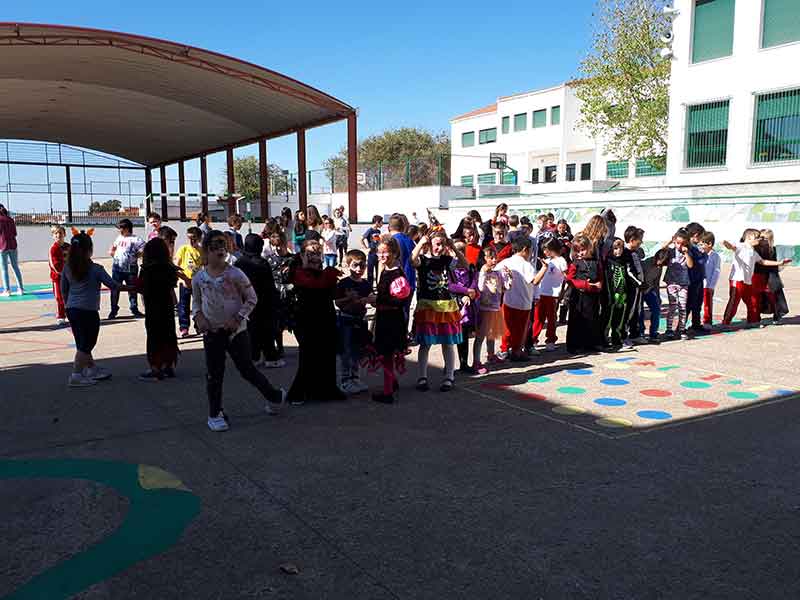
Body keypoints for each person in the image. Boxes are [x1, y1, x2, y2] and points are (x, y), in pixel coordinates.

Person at [192, 230, 285, 431]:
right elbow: (196, 302)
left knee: (247, 369)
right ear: (205, 250)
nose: (220, 250)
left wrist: (238, 318)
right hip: (212, 333)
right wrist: (198, 317)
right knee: (214, 374)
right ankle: (215, 413)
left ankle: (273, 395)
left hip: (236, 332)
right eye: (214, 247)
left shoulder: (235, 274)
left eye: (223, 246)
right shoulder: (199, 277)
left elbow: (252, 298)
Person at [61, 232, 130, 387]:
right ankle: (76, 374)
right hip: (88, 311)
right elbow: (114, 285)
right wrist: (133, 288)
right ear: (89, 249)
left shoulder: (67, 268)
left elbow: (63, 289)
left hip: (72, 309)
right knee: (87, 343)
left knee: (81, 341)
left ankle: (90, 368)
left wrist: (67, 305)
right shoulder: (96, 269)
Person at [287, 240, 345, 404]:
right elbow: (313, 284)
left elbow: (333, 294)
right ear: (302, 255)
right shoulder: (299, 273)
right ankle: (298, 393)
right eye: (310, 254)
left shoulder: (327, 273)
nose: (314, 257)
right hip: (306, 320)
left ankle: (326, 390)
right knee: (308, 355)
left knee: (327, 354)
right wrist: (327, 274)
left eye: (317, 254)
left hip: (326, 318)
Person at [411, 230, 463, 392]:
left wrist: (453, 247)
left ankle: (449, 376)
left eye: (442, 244)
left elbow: (465, 264)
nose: (440, 248)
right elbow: (412, 260)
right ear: (430, 244)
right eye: (437, 244)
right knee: (425, 343)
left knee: (448, 343)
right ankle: (422, 377)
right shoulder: (423, 260)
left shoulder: (447, 260)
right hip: (428, 307)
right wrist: (421, 243)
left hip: (446, 307)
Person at [369, 237, 411, 403]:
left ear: (394, 253)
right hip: (384, 317)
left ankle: (387, 393)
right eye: (379, 252)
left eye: (385, 252)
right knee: (386, 353)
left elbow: (399, 301)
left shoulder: (397, 273)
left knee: (387, 355)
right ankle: (392, 382)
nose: (381, 255)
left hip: (392, 320)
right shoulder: (385, 270)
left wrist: (377, 299)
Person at [722, 229, 790, 326]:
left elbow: (763, 262)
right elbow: (732, 247)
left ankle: (753, 321)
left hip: (747, 281)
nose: (760, 239)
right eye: (757, 238)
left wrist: (780, 263)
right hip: (737, 280)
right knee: (734, 301)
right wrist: (726, 244)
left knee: (752, 302)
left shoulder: (753, 252)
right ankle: (726, 322)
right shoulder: (741, 246)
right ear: (749, 238)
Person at [235, 234, 281, 368]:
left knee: (250, 330)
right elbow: (269, 285)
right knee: (266, 330)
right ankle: (270, 357)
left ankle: (253, 356)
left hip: (245, 302)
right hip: (263, 302)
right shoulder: (261, 263)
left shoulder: (239, 263)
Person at [137, 238, 179, 381]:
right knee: (169, 334)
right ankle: (169, 365)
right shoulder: (170, 268)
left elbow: (141, 287)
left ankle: (155, 367)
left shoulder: (146, 269)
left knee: (154, 336)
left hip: (152, 306)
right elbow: (172, 285)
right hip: (166, 305)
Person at [336, 249, 373, 395]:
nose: (359, 269)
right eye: (355, 265)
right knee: (346, 351)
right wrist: (349, 298)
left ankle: (355, 377)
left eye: (362, 266)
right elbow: (337, 302)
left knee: (357, 350)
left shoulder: (366, 284)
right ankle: (345, 380)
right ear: (348, 265)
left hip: (360, 321)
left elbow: (372, 298)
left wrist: (369, 299)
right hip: (346, 320)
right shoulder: (343, 283)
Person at [497, 237, 536, 362]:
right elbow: (534, 281)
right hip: (523, 303)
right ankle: (516, 351)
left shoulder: (506, 262)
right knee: (520, 329)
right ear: (525, 249)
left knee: (507, 327)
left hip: (508, 301)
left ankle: (504, 349)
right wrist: (544, 269)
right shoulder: (527, 265)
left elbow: (495, 272)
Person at [474, 246, 511, 372]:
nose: (494, 260)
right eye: (491, 258)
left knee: (492, 334)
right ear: (484, 259)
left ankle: (491, 355)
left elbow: (506, 288)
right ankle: (476, 361)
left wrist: (508, 277)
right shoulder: (481, 273)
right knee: (481, 336)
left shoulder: (498, 273)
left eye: (495, 257)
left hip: (495, 308)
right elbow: (480, 288)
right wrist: (484, 273)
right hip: (485, 308)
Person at [565, 235, 604, 354]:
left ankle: (590, 343)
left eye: (583, 250)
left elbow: (600, 276)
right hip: (578, 296)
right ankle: (574, 345)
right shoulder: (575, 263)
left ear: (589, 248)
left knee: (592, 319)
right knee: (576, 320)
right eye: (577, 251)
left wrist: (599, 284)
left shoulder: (595, 262)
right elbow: (570, 280)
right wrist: (585, 285)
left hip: (592, 297)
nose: (580, 253)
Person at [531, 238, 567, 352]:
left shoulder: (561, 261)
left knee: (551, 319)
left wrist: (563, 292)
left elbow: (566, 277)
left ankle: (550, 340)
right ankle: (533, 340)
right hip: (541, 293)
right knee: (538, 318)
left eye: (546, 249)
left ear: (553, 248)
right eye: (544, 249)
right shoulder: (546, 261)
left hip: (553, 294)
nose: (544, 252)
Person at [449, 241, 480, 373]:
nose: (459, 253)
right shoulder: (450, 269)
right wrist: (465, 292)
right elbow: (450, 285)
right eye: (457, 250)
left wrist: (469, 294)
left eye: (462, 250)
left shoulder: (470, 267)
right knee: (451, 337)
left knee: (464, 335)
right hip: (454, 304)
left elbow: (474, 282)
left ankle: (464, 363)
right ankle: (449, 365)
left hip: (468, 306)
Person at [603, 238, 638, 348]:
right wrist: (609, 294)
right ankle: (604, 339)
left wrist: (638, 283)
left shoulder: (625, 261)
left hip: (622, 294)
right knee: (608, 319)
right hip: (611, 295)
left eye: (620, 248)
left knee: (620, 318)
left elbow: (630, 274)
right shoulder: (608, 262)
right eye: (615, 248)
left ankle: (617, 339)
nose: (618, 251)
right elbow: (606, 279)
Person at [265, 231, 293, 361]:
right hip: (276, 296)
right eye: (274, 246)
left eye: (280, 245)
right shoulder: (269, 260)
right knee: (277, 325)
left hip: (291, 296)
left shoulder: (293, 259)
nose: (277, 248)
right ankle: (280, 347)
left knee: (294, 322)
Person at [108, 218, 144, 319]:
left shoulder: (136, 239)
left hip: (130, 269)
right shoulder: (118, 238)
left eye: (122, 228)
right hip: (117, 268)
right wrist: (112, 253)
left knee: (132, 289)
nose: (120, 230)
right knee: (115, 289)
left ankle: (134, 308)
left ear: (127, 228)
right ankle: (113, 309)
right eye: (119, 228)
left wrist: (137, 255)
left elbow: (144, 248)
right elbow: (113, 248)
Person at [663, 228, 695, 340]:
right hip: (671, 282)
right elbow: (662, 249)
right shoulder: (671, 251)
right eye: (677, 243)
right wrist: (670, 241)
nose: (679, 246)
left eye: (682, 244)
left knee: (682, 307)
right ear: (674, 241)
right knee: (672, 306)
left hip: (683, 283)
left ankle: (681, 329)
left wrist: (686, 253)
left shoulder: (688, 252)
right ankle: (669, 329)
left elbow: (690, 265)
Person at [754, 229, 790, 325]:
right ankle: (756, 317)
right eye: (760, 237)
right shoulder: (756, 248)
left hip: (770, 275)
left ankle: (777, 315)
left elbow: (774, 265)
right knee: (758, 298)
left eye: (764, 238)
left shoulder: (772, 249)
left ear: (769, 239)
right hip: (758, 275)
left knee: (774, 297)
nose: (762, 240)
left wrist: (781, 264)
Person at [175, 227, 203, 337]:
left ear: (199, 238)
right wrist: (184, 279)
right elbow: (176, 265)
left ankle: (199, 325)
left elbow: (206, 266)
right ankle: (184, 327)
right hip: (185, 282)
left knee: (199, 305)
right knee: (183, 306)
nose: (191, 241)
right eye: (189, 238)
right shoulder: (183, 249)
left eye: (194, 238)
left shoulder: (202, 251)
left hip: (198, 283)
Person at [639, 248, 670, 342]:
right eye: (660, 261)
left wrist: (658, 296)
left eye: (663, 263)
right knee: (640, 312)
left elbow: (656, 282)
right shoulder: (646, 263)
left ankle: (653, 332)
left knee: (656, 309)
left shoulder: (660, 267)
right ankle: (640, 332)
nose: (660, 264)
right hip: (640, 290)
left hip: (650, 290)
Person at [622, 227, 646, 346]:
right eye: (639, 240)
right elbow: (629, 271)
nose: (641, 242)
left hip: (638, 288)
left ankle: (634, 334)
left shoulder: (635, 253)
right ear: (632, 240)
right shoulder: (625, 253)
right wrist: (639, 283)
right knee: (628, 311)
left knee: (637, 311)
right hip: (631, 288)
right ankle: (623, 336)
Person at [684, 222, 707, 333]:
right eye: (701, 236)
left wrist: (703, 253)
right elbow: (698, 262)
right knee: (689, 304)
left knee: (698, 303)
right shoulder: (689, 248)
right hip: (691, 280)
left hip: (698, 279)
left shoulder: (696, 247)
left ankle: (696, 324)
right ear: (695, 235)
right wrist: (703, 254)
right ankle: (681, 327)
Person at [0, 204, 24, 296]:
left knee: (4, 269)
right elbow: (15, 233)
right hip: (13, 245)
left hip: (2, 246)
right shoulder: (10, 219)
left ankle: (7, 290)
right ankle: (20, 289)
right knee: (15, 267)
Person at [48, 225, 69, 325]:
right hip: (58, 278)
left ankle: (70, 314)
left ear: (64, 234)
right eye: (56, 233)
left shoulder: (69, 247)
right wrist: (63, 272)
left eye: (60, 233)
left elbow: (75, 259)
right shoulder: (53, 249)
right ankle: (61, 315)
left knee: (69, 296)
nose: (58, 235)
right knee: (59, 297)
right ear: (53, 236)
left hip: (69, 277)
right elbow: (55, 265)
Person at [699, 231, 720, 327]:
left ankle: (707, 322)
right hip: (699, 284)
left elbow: (716, 271)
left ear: (710, 244)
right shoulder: (700, 254)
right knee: (697, 304)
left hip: (707, 285)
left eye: (702, 244)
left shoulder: (715, 256)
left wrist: (711, 286)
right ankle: (697, 322)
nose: (700, 246)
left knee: (707, 304)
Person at [362, 214, 383, 288]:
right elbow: (362, 239)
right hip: (371, 253)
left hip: (378, 253)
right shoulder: (370, 230)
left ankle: (378, 285)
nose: (382, 224)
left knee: (378, 270)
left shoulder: (378, 231)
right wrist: (366, 248)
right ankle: (369, 287)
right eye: (381, 222)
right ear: (377, 222)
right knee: (370, 271)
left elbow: (379, 241)